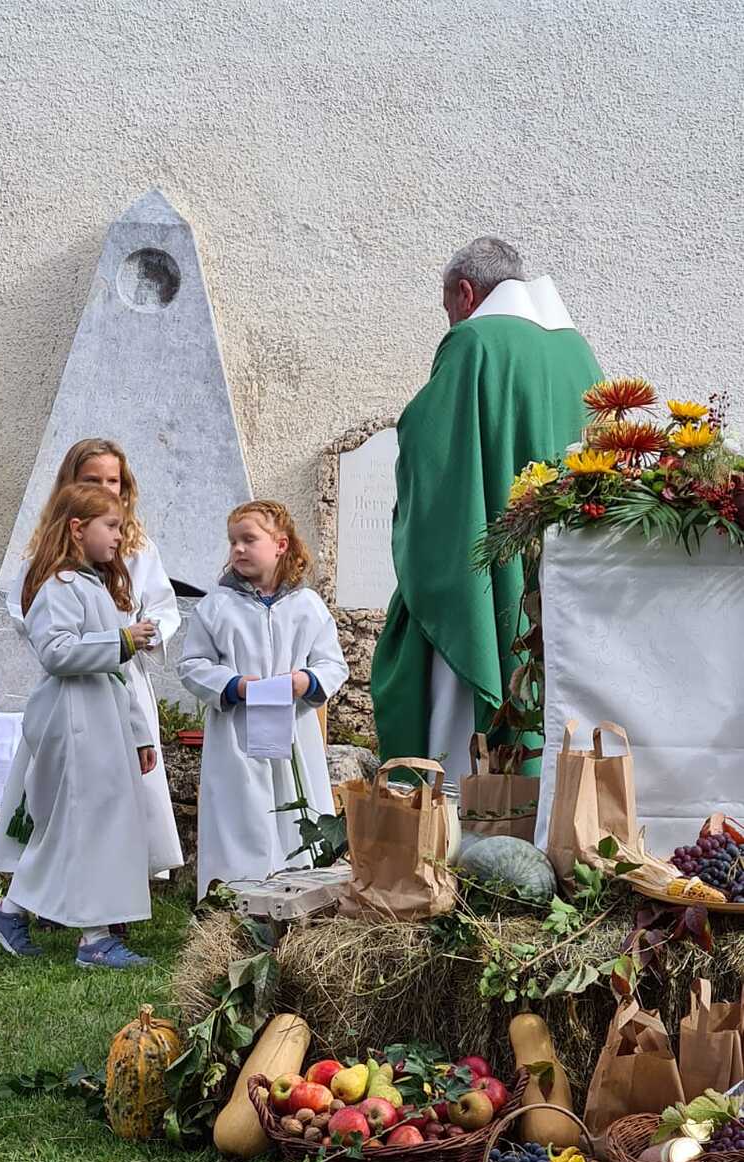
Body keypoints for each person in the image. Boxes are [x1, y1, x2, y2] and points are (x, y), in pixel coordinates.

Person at [370, 236, 603, 785]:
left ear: (466, 293)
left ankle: (460, 822)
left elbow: (431, 449)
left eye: (447, 306)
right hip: (562, 575)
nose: (450, 319)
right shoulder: (579, 354)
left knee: (457, 743)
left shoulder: (473, 342)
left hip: (490, 572)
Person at [0, 482, 158, 969]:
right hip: (73, 720)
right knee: (85, 823)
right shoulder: (58, 587)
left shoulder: (92, 585)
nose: (119, 537)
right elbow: (56, 652)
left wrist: (140, 733)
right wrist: (122, 640)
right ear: (78, 529)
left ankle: (9, 912)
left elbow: (118, 676)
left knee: (84, 824)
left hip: (103, 721)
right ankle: (94, 938)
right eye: (112, 526)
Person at [4, 438, 183, 882]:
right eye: (92, 480)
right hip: (73, 682)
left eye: (112, 481)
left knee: (125, 782)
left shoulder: (136, 548)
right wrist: (95, 639)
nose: (105, 488)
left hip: (123, 678)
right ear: (71, 485)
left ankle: (125, 874)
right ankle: (56, 876)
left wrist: (146, 633)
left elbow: (163, 605)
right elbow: (28, 611)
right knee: (68, 785)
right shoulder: (50, 558)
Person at [179, 502, 348, 900]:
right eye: (233, 541)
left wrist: (306, 681)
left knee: (296, 813)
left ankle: (300, 899)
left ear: (280, 545)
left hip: (294, 736)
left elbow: (333, 664)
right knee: (239, 817)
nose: (238, 549)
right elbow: (192, 665)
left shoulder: (307, 607)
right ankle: (233, 900)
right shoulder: (216, 606)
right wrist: (233, 685)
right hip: (237, 736)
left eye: (249, 540)